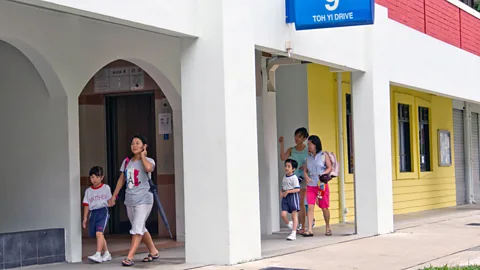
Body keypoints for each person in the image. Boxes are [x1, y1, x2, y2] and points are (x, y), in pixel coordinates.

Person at [108, 135, 160, 267]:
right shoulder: (126, 162)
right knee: (140, 227)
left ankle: (129, 257)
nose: (134, 146)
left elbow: (149, 169)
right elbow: (122, 180)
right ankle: (153, 251)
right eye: (132, 143)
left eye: (138, 143)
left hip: (144, 199)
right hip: (130, 200)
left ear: (144, 146)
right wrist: (114, 196)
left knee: (137, 228)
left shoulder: (149, 160)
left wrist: (142, 156)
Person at [278, 127, 309, 234]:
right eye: (296, 136)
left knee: (300, 202)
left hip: (303, 178)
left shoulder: (307, 150)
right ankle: (296, 224)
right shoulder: (292, 150)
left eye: (299, 136)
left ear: (304, 138)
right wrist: (281, 144)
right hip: (292, 179)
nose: (296, 138)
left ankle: (303, 226)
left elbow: (312, 161)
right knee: (292, 203)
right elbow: (283, 157)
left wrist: (306, 166)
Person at [303, 135, 332, 237]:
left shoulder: (324, 155)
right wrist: (306, 176)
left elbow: (329, 168)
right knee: (310, 206)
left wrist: (323, 174)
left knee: (324, 206)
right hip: (311, 185)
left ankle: (327, 226)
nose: (308, 146)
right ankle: (310, 229)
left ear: (315, 144)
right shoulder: (308, 158)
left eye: (310, 144)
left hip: (321, 185)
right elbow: (305, 170)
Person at [82, 166, 112, 263]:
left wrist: (112, 201)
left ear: (102, 177)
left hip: (103, 211)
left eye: (96, 177)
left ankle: (98, 254)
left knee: (99, 233)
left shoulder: (106, 188)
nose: (94, 179)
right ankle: (106, 253)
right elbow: (86, 205)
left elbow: (110, 201)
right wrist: (85, 218)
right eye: (92, 177)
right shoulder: (88, 191)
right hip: (93, 213)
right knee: (97, 234)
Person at [280, 159, 301, 241]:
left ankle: (294, 232)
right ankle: (289, 224)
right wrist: (281, 192)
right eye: (286, 166)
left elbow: (297, 189)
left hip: (293, 197)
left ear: (293, 169)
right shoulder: (284, 177)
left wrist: (288, 191)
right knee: (283, 214)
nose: (286, 168)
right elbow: (283, 187)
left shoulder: (294, 178)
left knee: (294, 215)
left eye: (289, 166)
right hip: (285, 197)